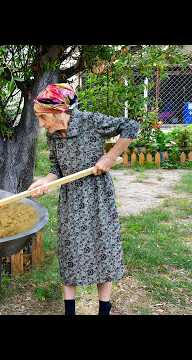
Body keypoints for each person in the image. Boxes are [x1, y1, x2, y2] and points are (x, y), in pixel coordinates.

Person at [27, 83, 139, 315]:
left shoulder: (89, 121)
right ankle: (70, 311)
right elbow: (55, 168)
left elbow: (131, 125)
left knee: (103, 248)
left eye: (42, 117)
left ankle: (103, 310)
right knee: (70, 250)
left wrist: (109, 157)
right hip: (71, 197)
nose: (40, 123)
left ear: (60, 111)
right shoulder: (53, 135)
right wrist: (44, 182)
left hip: (97, 195)